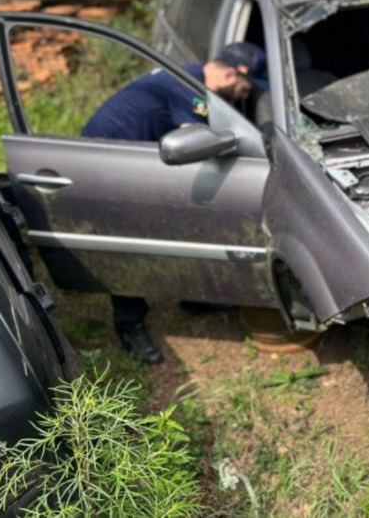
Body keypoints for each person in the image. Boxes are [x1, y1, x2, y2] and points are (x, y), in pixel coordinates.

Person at [81, 42, 268, 365]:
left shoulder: (189, 74)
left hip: (136, 157)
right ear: (228, 74)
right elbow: (195, 137)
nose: (242, 97)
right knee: (128, 247)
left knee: (185, 223)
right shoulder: (189, 89)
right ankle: (129, 324)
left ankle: (193, 298)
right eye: (244, 88)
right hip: (106, 166)